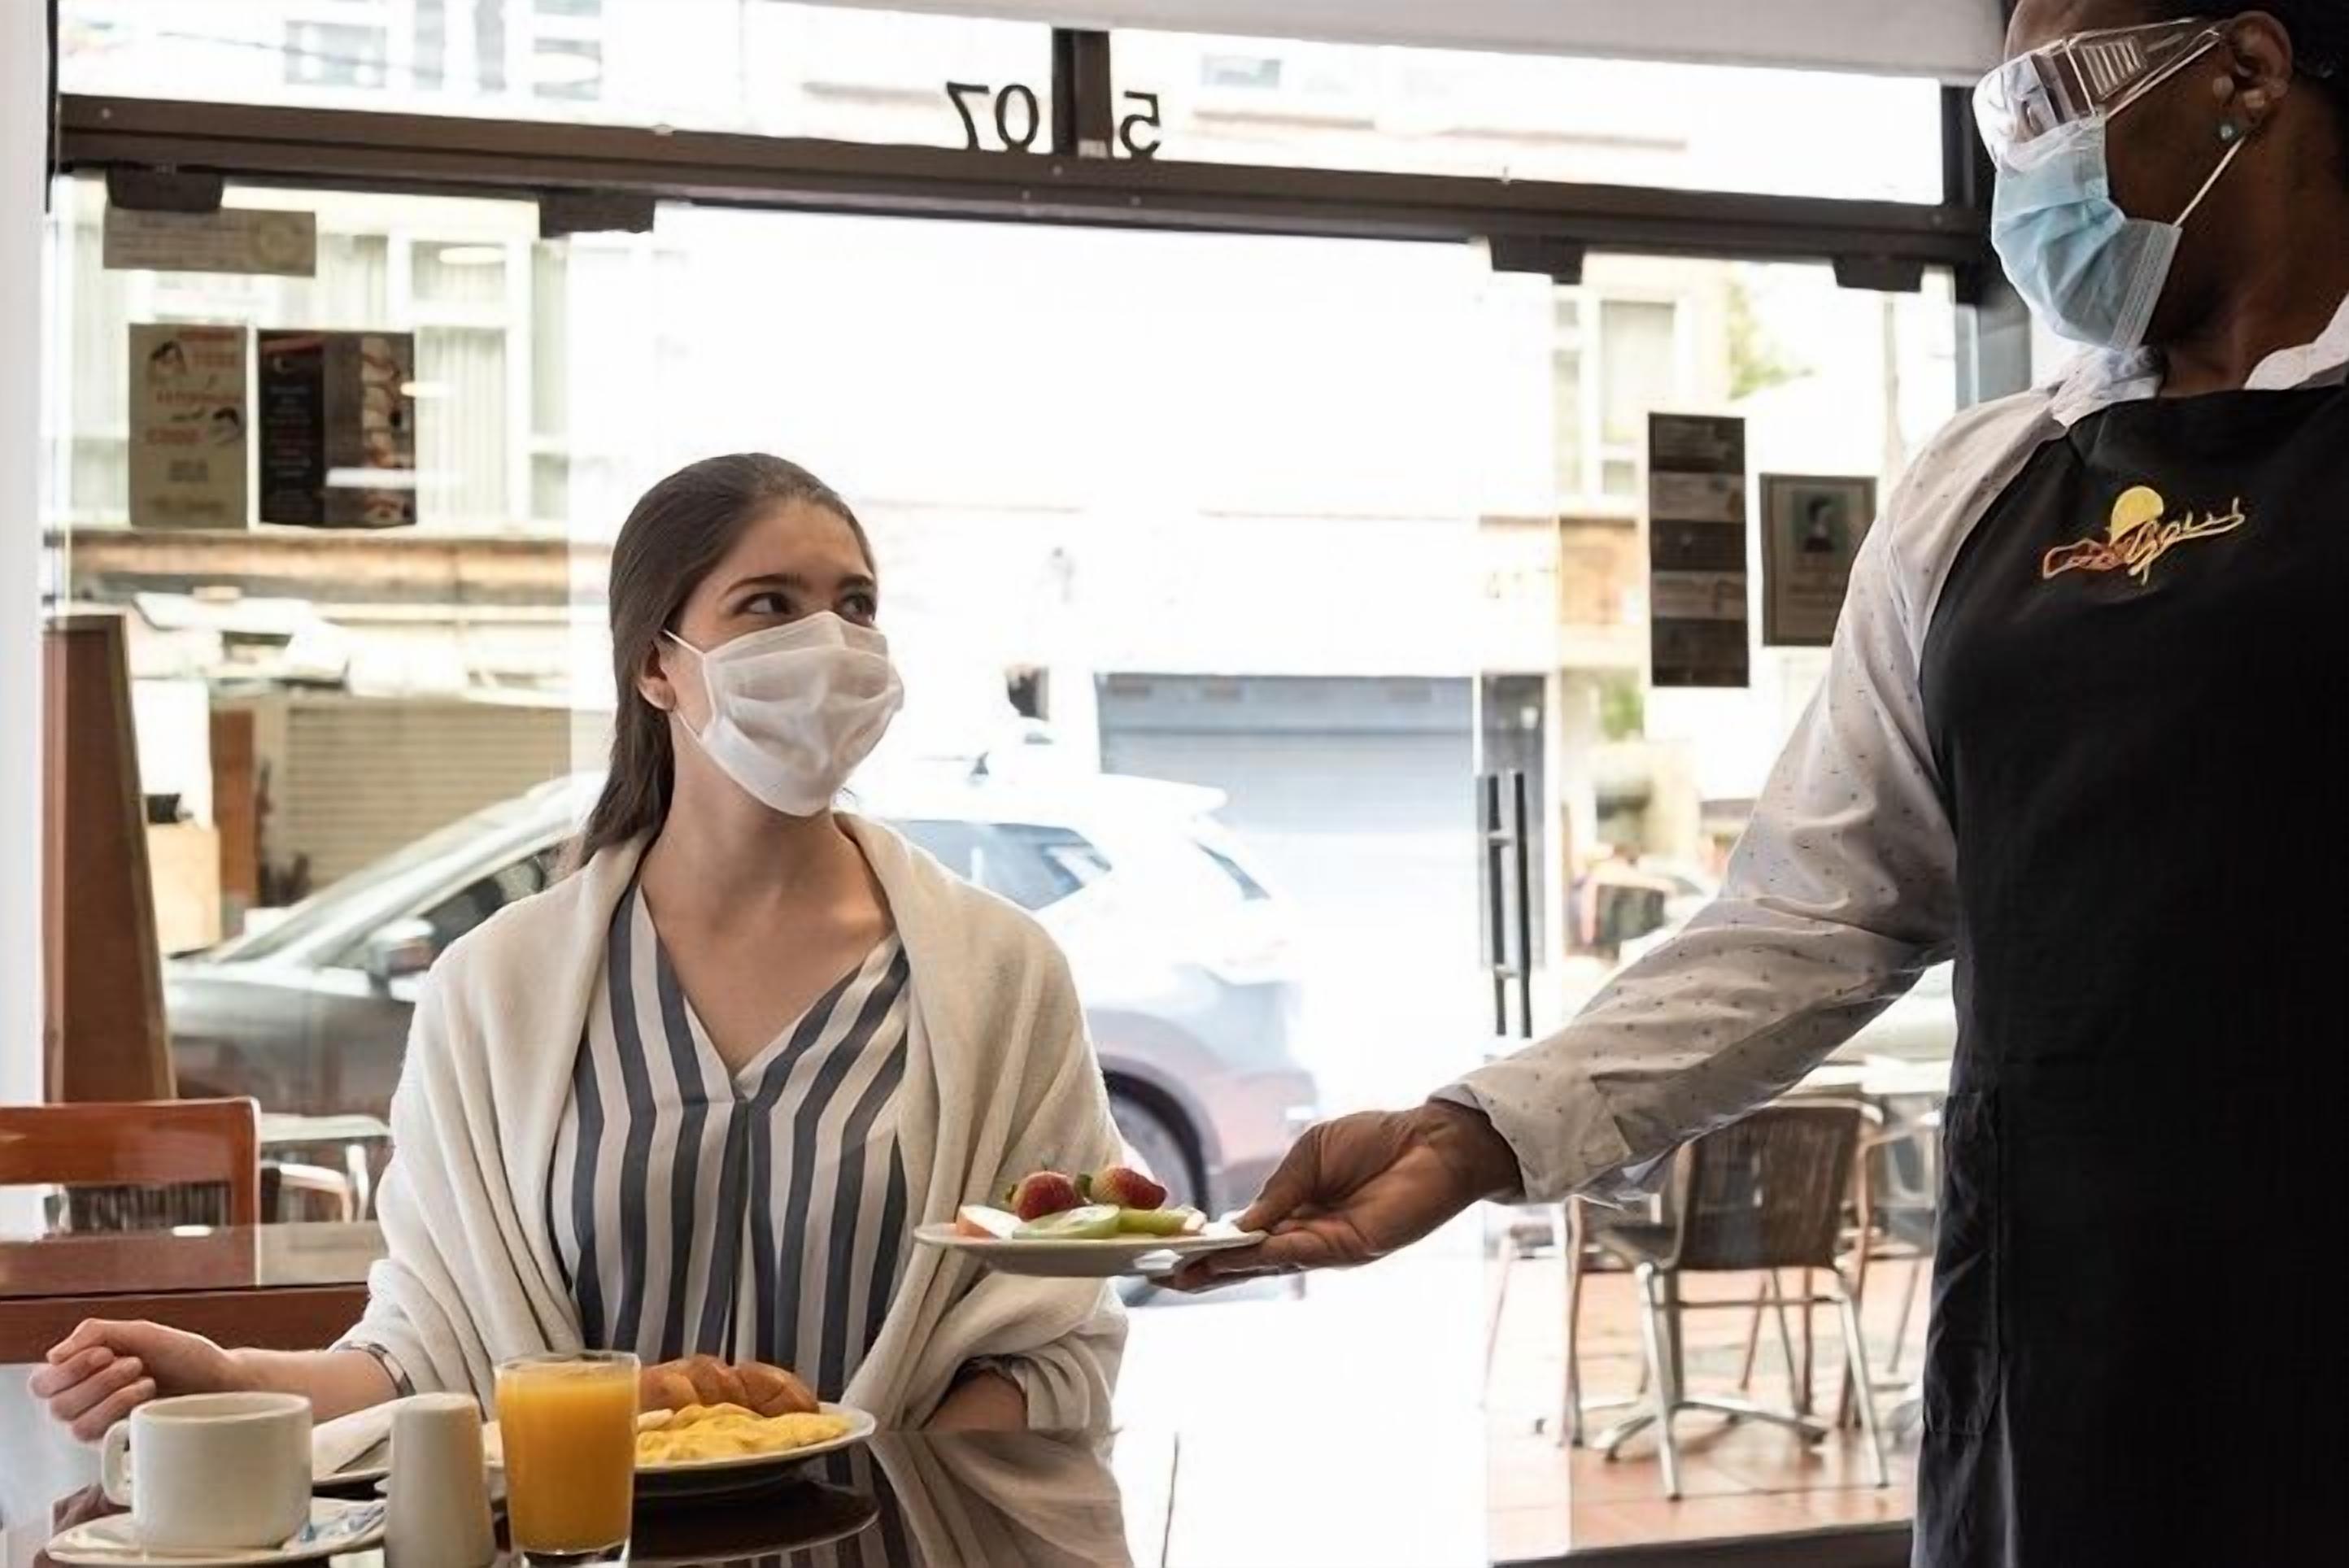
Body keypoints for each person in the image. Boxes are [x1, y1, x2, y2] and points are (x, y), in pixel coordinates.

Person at [1182, 3, 2349, 1563]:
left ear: (2249, 76)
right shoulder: (1982, 487)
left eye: (2056, 92)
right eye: (1997, 109)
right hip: (2060, 1351)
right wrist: (1477, 1134)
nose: (2025, 157)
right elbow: (1816, 915)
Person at [35, 453, 1125, 1440]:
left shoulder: (997, 979)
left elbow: (1057, 1337)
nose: (827, 644)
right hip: (580, 1545)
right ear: (658, 665)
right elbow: (428, 1359)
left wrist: (891, 1487)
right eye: (770, 606)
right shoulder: (497, 992)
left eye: (855, 605)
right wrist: (226, 1377)